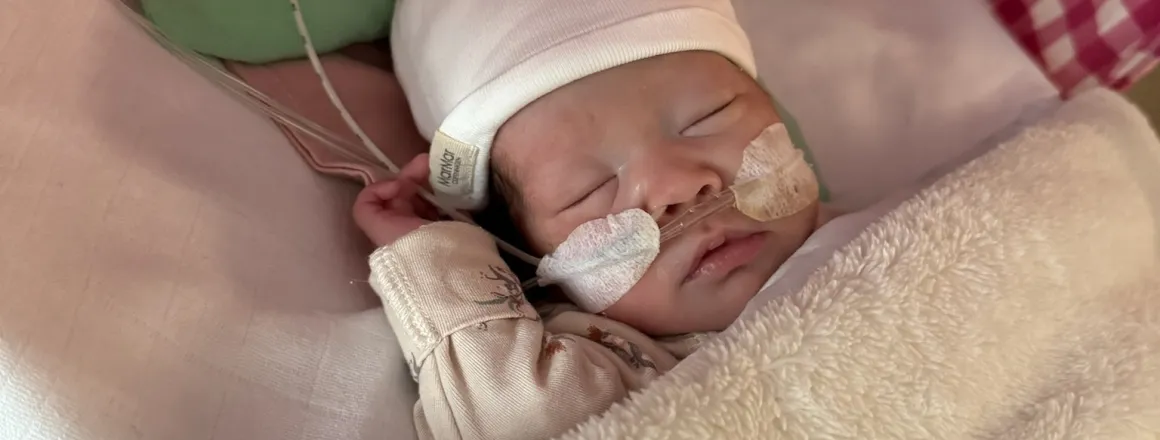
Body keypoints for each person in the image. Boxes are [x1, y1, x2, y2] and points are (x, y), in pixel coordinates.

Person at [352, 1, 823, 439]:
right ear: (530, 258)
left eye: (708, 116)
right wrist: (439, 259)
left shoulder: (865, 235)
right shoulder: (615, 370)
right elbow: (514, 420)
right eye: (589, 189)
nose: (676, 186)